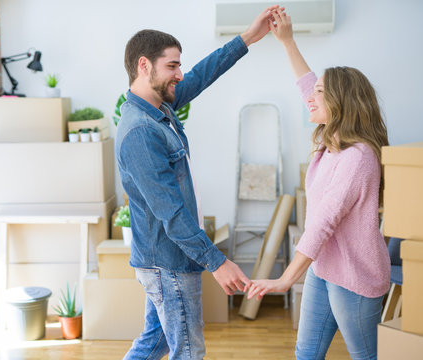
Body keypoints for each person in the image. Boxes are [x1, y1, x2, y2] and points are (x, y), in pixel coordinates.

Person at [115, 6, 280, 359]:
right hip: (169, 263)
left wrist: (249, 37)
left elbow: (202, 74)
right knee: (189, 352)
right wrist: (218, 262)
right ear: (144, 66)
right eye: (172, 66)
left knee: (155, 343)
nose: (179, 74)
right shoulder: (141, 131)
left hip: (165, 261)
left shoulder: (159, 108)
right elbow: (170, 212)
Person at [246, 10, 390, 360]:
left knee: (364, 357)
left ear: (341, 103)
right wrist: (287, 41)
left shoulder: (357, 157)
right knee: (306, 353)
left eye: (320, 93)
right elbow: (307, 86)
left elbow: (323, 222)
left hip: (354, 278)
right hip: (324, 269)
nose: (310, 97)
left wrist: (284, 280)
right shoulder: (333, 144)